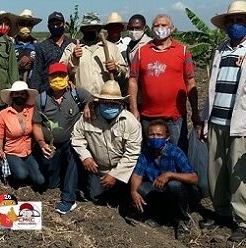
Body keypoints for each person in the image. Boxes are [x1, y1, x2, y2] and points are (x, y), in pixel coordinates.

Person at [199, 1, 246, 241]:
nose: (235, 25)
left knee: (239, 173)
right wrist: (204, 120)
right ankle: (221, 213)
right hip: (217, 119)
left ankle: (242, 221)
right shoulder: (220, 50)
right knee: (216, 171)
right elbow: (211, 88)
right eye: (232, 21)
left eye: (240, 21)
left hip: (241, 124)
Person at [128, 14, 200, 153]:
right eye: (156, 25)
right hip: (148, 116)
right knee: (151, 156)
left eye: (163, 25)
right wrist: (134, 108)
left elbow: (190, 82)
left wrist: (195, 112)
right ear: (151, 29)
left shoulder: (183, 51)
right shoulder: (142, 52)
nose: (159, 28)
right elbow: (133, 80)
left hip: (175, 118)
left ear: (172, 29)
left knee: (177, 154)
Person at [32, 63, 91, 214]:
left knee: (73, 157)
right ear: (49, 78)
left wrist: (88, 107)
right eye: (54, 76)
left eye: (61, 76)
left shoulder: (77, 94)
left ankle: (68, 199)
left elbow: (92, 100)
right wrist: (41, 142)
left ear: (67, 77)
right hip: (51, 145)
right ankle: (60, 180)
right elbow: (37, 125)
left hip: (71, 141)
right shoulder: (41, 100)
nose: (58, 79)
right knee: (51, 183)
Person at [71, 81, 141, 203]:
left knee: (124, 198)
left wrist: (115, 175)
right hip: (99, 168)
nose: (109, 106)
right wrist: (85, 157)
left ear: (120, 103)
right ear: (100, 101)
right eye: (106, 102)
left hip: (123, 169)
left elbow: (132, 153)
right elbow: (77, 137)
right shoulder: (89, 116)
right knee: (95, 197)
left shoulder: (131, 122)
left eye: (113, 103)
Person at [131, 120, 199, 240]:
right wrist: (133, 192)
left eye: (159, 135)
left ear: (167, 137)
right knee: (140, 188)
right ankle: (159, 216)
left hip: (179, 194)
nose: (155, 138)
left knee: (174, 185)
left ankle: (183, 220)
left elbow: (194, 178)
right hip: (159, 191)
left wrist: (170, 175)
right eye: (152, 135)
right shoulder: (146, 153)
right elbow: (137, 175)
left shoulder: (175, 152)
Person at [60, 14, 127, 95]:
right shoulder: (72, 48)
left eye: (94, 27)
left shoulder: (111, 48)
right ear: (82, 29)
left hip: (106, 100)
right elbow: (61, 72)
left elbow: (125, 73)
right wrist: (73, 59)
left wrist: (116, 69)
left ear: (99, 29)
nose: (91, 30)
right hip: (81, 101)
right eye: (88, 27)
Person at [0, 81, 44, 187]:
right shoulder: (4, 114)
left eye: (22, 94)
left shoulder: (31, 110)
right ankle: (13, 177)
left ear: (26, 96)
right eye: (17, 93)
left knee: (40, 180)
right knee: (22, 175)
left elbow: (38, 126)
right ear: (11, 95)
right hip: (12, 152)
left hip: (29, 151)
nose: (20, 96)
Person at [30, 11, 73, 93]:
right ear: (48, 26)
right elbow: (37, 73)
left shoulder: (72, 44)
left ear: (64, 24)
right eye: (52, 24)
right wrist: (34, 94)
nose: (55, 26)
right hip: (48, 92)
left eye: (58, 24)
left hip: (68, 91)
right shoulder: (41, 47)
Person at [105, 12, 131, 95]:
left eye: (117, 26)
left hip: (125, 88)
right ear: (107, 29)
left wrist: (116, 68)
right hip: (106, 88)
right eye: (111, 27)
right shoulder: (101, 46)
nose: (114, 29)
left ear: (121, 28)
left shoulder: (128, 44)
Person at [14, 9, 42, 83]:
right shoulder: (11, 44)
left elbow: (41, 66)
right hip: (14, 84)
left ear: (32, 26)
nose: (26, 27)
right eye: (23, 24)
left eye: (29, 24)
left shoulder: (37, 45)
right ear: (17, 25)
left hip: (32, 85)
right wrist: (18, 65)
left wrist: (32, 60)